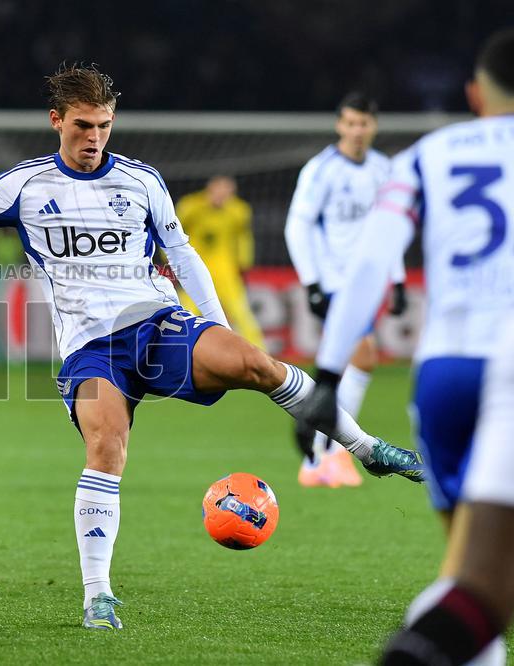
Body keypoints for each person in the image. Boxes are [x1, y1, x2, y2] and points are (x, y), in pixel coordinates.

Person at [0, 64, 425, 631]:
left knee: (256, 364)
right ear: (56, 120)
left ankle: (366, 449)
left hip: (156, 323)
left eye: (104, 125)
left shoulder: (140, 181)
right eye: (83, 125)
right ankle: (97, 593)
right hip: (90, 349)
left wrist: (215, 325)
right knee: (107, 447)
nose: (94, 137)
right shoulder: (27, 185)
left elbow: (182, 255)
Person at [297, 28, 514, 665]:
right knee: (486, 583)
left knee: (467, 573)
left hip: (447, 370)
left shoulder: (426, 155)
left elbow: (370, 262)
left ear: (474, 94)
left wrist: (328, 375)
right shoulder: (344, 168)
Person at [284, 92, 409, 489]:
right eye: (351, 123)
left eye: (364, 123)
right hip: (335, 281)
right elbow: (297, 225)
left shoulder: (383, 169)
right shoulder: (321, 170)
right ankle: (327, 457)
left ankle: (323, 456)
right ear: (340, 124)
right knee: (363, 355)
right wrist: (312, 282)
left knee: (354, 364)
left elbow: (389, 228)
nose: (357, 131)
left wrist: (399, 277)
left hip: (367, 281)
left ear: (374, 126)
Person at [175, 176, 264, 349]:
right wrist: (173, 263)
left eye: (228, 192)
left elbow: (243, 237)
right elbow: (173, 233)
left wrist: (244, 262)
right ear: (209, 189)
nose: (222, 196)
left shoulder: (238, 210)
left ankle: (260, 352)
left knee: (240, 311)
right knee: (186, 311)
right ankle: (178, 350)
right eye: (219, 190)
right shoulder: (191, 206)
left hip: (225, 270)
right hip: (195, 268)